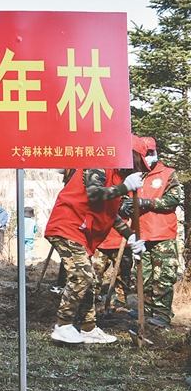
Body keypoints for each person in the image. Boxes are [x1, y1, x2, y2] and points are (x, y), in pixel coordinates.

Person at [45, 135, 150, 345]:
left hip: (81, 232)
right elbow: (94, 194)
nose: (138, 169)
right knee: (82, 276)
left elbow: (111, 215)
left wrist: (131, 238)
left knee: (89, 280)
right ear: (128, 156)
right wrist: (124, 188)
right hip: (67, 225)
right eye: (137, 162)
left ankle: (89, 328)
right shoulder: (100, 163)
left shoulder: (119, 179)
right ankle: (63, 325)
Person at [119, 136, 181, 328]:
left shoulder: (168, 174)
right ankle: (145, 309)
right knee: (144, 275)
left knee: (162, 277)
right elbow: (122, 199)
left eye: (152, 153)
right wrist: (124, 207)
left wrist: (148, 203)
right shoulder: (134, 176)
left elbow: (174, 199)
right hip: (141, 234)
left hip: (162, 234)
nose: (150, 157)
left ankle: (162, 314)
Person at [92, 227, 133, 307]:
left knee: (123, 273)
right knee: (95, 271)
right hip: (100, 240)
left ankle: (121, 299)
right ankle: (93, 297)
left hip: (122, 241)